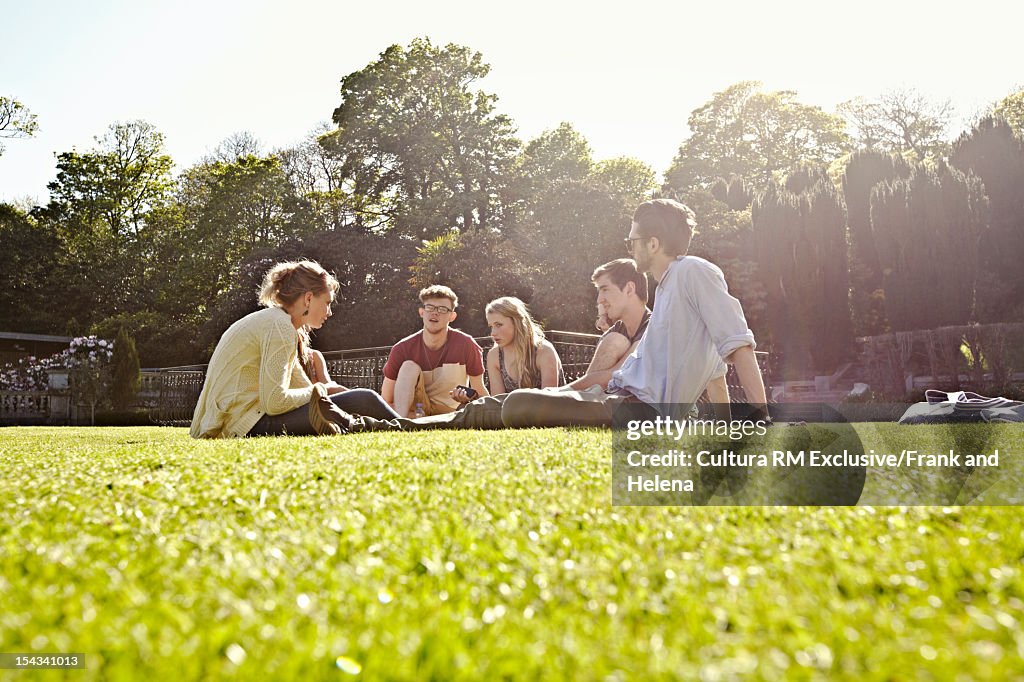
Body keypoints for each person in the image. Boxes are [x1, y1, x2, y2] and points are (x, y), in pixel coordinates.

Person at [501, 198, 767, 427]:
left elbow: (739, 344)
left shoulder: (693, 271)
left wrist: (761, 417)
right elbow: (715, 372)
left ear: (652, 244)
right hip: (616, 396)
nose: (630, 248)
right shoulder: (666, 288)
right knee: (499, 405)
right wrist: (726, 425)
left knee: (515, 404)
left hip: (637, 409)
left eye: (632, 242)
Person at [190, 260, 400, 438]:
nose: (329, 312)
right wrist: (324, 390)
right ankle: (411, 428)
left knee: (358, 399)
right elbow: (275, 401)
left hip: (238, 421)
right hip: (245, 424)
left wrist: (333, 392)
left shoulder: (278, 323)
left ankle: (409, 426)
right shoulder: (279, 326)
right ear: (308, 298)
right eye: (327, 303)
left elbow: (302, 385)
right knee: (365, 399)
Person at [381, 285, 488, 418]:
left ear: (452, 316)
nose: (435, 313)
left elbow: (480, 391)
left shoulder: (467, 344)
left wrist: (469, 399)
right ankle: (400, 425)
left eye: (442, 309)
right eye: (430, 307)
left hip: (452, 412)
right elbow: (386, 400)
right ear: (421, 312)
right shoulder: (401, 348)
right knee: (409, 366)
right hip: (416, 412)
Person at [485, 296, 564, 393]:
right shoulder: (494, 356)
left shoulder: (544, 351)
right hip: (511, 408)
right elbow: (498, 402)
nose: (493, 333)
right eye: (491, 326)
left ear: (517, 323)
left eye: (499, 325)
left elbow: (548, 401)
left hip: (550, 407)